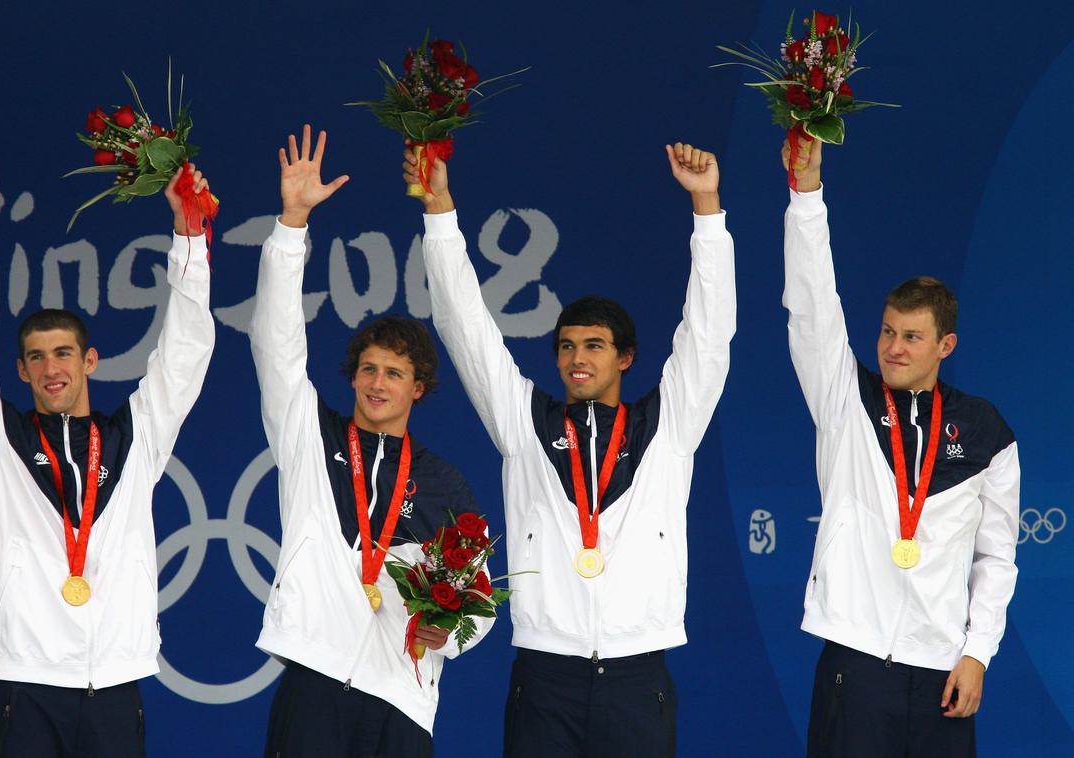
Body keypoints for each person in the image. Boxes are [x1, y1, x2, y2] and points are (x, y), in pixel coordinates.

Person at [409, 141, 736, 756]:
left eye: (593, 345)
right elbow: (466, 328)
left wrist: (707, 208)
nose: (576, 358)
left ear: (625, 358)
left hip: (639, 674)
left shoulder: (668, 425)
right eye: (566, 346)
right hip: (545, 676)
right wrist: (440, 212)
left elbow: (710, 334)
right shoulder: (524, 422)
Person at [0, 166, 216, 757]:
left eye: (63, 353)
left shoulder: (136, 437)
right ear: (21, 370)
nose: (51, 368)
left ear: (90, 361)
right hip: (25, 682)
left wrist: (189, 236)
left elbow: (186, 350)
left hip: (116, 682)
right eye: (36, 357)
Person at [251, 125, 492, 758]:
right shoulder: (310, 436)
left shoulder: (443, 483)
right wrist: (292, 225)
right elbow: (275, 344)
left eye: (394, 373)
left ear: (419, 388)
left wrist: (451, 635)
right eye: (368, 370)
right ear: (353, 376)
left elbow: (479, 594)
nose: (378, 383)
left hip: (402, 697)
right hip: (315, 677)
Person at [781, 135, 1019, 757]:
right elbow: (811, 307)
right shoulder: (845, 399)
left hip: (943, 671)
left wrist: (977, 654)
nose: (893, 348)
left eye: (912, 337)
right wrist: (806, 195)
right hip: (854, 662)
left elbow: (996, 558)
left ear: (946, 346)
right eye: (887, 331)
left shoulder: (987, 431)